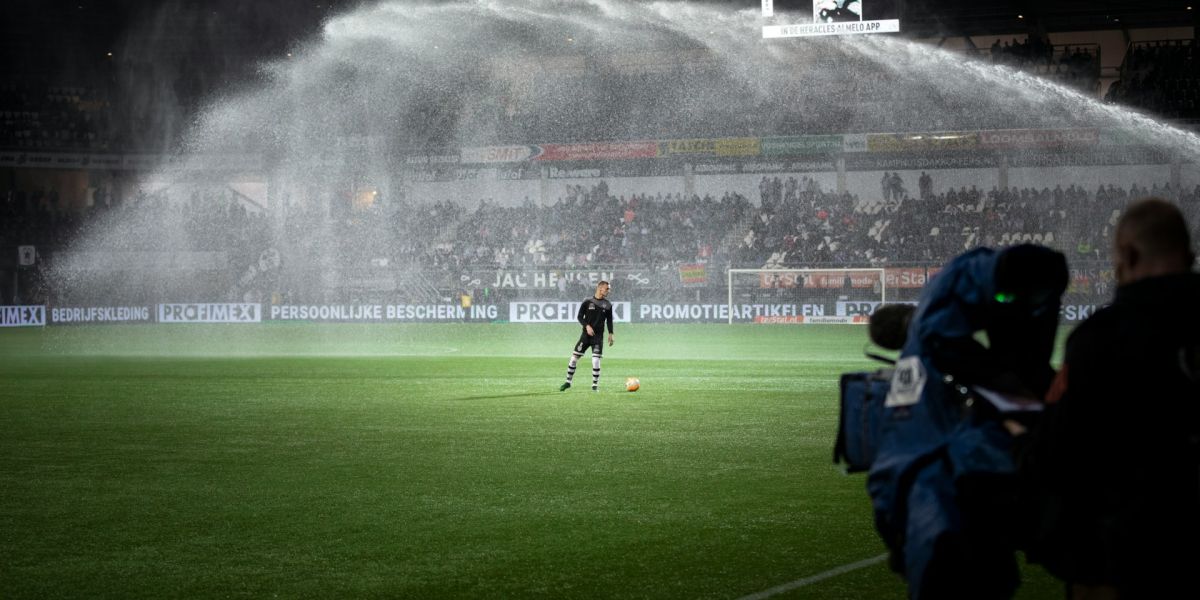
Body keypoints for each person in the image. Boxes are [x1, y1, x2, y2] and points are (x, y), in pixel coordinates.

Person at [1017, 198, 1200, 599]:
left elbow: (1057, 456)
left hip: (1131, 557)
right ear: (1189, 256)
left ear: (1129, 256)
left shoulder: (1100, 339)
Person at [867, 244, 1068, 600]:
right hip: (953, 532)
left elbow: (891, 468)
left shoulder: (923, 372)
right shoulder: (942, 350)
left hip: (942, 532)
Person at [560, 280, 614, 392]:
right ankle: (568, 382)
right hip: (585, 336)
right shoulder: (587, 301)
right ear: (600, 288)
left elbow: (609, 320)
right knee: (574, 358)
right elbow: (579, 317)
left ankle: (595, 385)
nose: (609, 291)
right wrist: (587, 326)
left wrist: (611, 333)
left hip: (598, 337)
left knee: (595, 360)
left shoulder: (608, 305)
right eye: (607, 288)